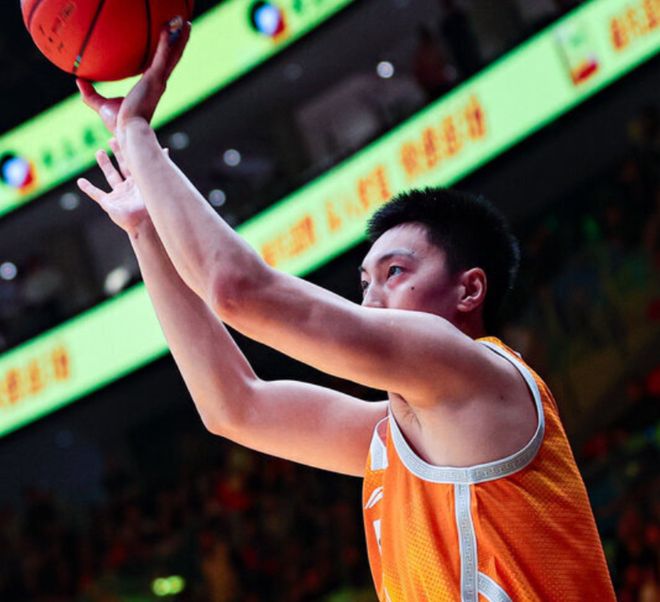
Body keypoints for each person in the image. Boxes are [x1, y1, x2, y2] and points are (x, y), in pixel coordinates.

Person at [76, 20, 616, 600]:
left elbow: (236, 290)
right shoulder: (392, 438)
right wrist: (145, 231)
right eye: (364, 283)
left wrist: (137, 132)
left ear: (469, 291)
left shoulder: (478, 374)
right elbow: (234, 406)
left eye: (396, 272)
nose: (372, 298)